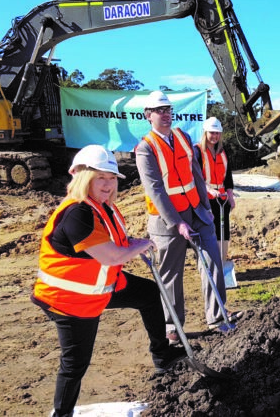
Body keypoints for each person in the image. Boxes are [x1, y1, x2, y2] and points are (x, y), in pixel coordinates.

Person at [32, 145, 187, 417]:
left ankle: (162, 356)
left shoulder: (103, 208)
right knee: (75, 364)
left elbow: (117, 243)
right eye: (100, 177)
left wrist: (135, 242)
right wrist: (135, 248)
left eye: (112, 178)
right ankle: (62, 413)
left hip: (101, 286)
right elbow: (111, 255)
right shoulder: (77, 213)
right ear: (82, 177)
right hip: (69, 300)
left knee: (149, 293)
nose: (107, 184)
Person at [135, 91, 240, 344]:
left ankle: (217, 316)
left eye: (168, 109)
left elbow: (197, 175)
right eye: (160, 110)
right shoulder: (145, 148)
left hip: (197, 212)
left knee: (213, 262)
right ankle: (172, 327)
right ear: (149, 115)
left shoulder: (182, 137)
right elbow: (155, 190)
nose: (166, 114)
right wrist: (177, 222)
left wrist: (205, 207)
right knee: (171, 274)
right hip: (167, 220)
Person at [194, 117, 236, 265]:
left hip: (222, 199)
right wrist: (210, 190)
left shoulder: (222, 152)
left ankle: (222, 261)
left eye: (217, 133)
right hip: (205, 199)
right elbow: (196, 177)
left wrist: (230, 196)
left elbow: (228, 177)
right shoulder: (198, 151)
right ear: (205, 133)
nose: (215, 136)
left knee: (224, 232)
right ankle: (209, 261)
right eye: (212, 133)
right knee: (209, 231)